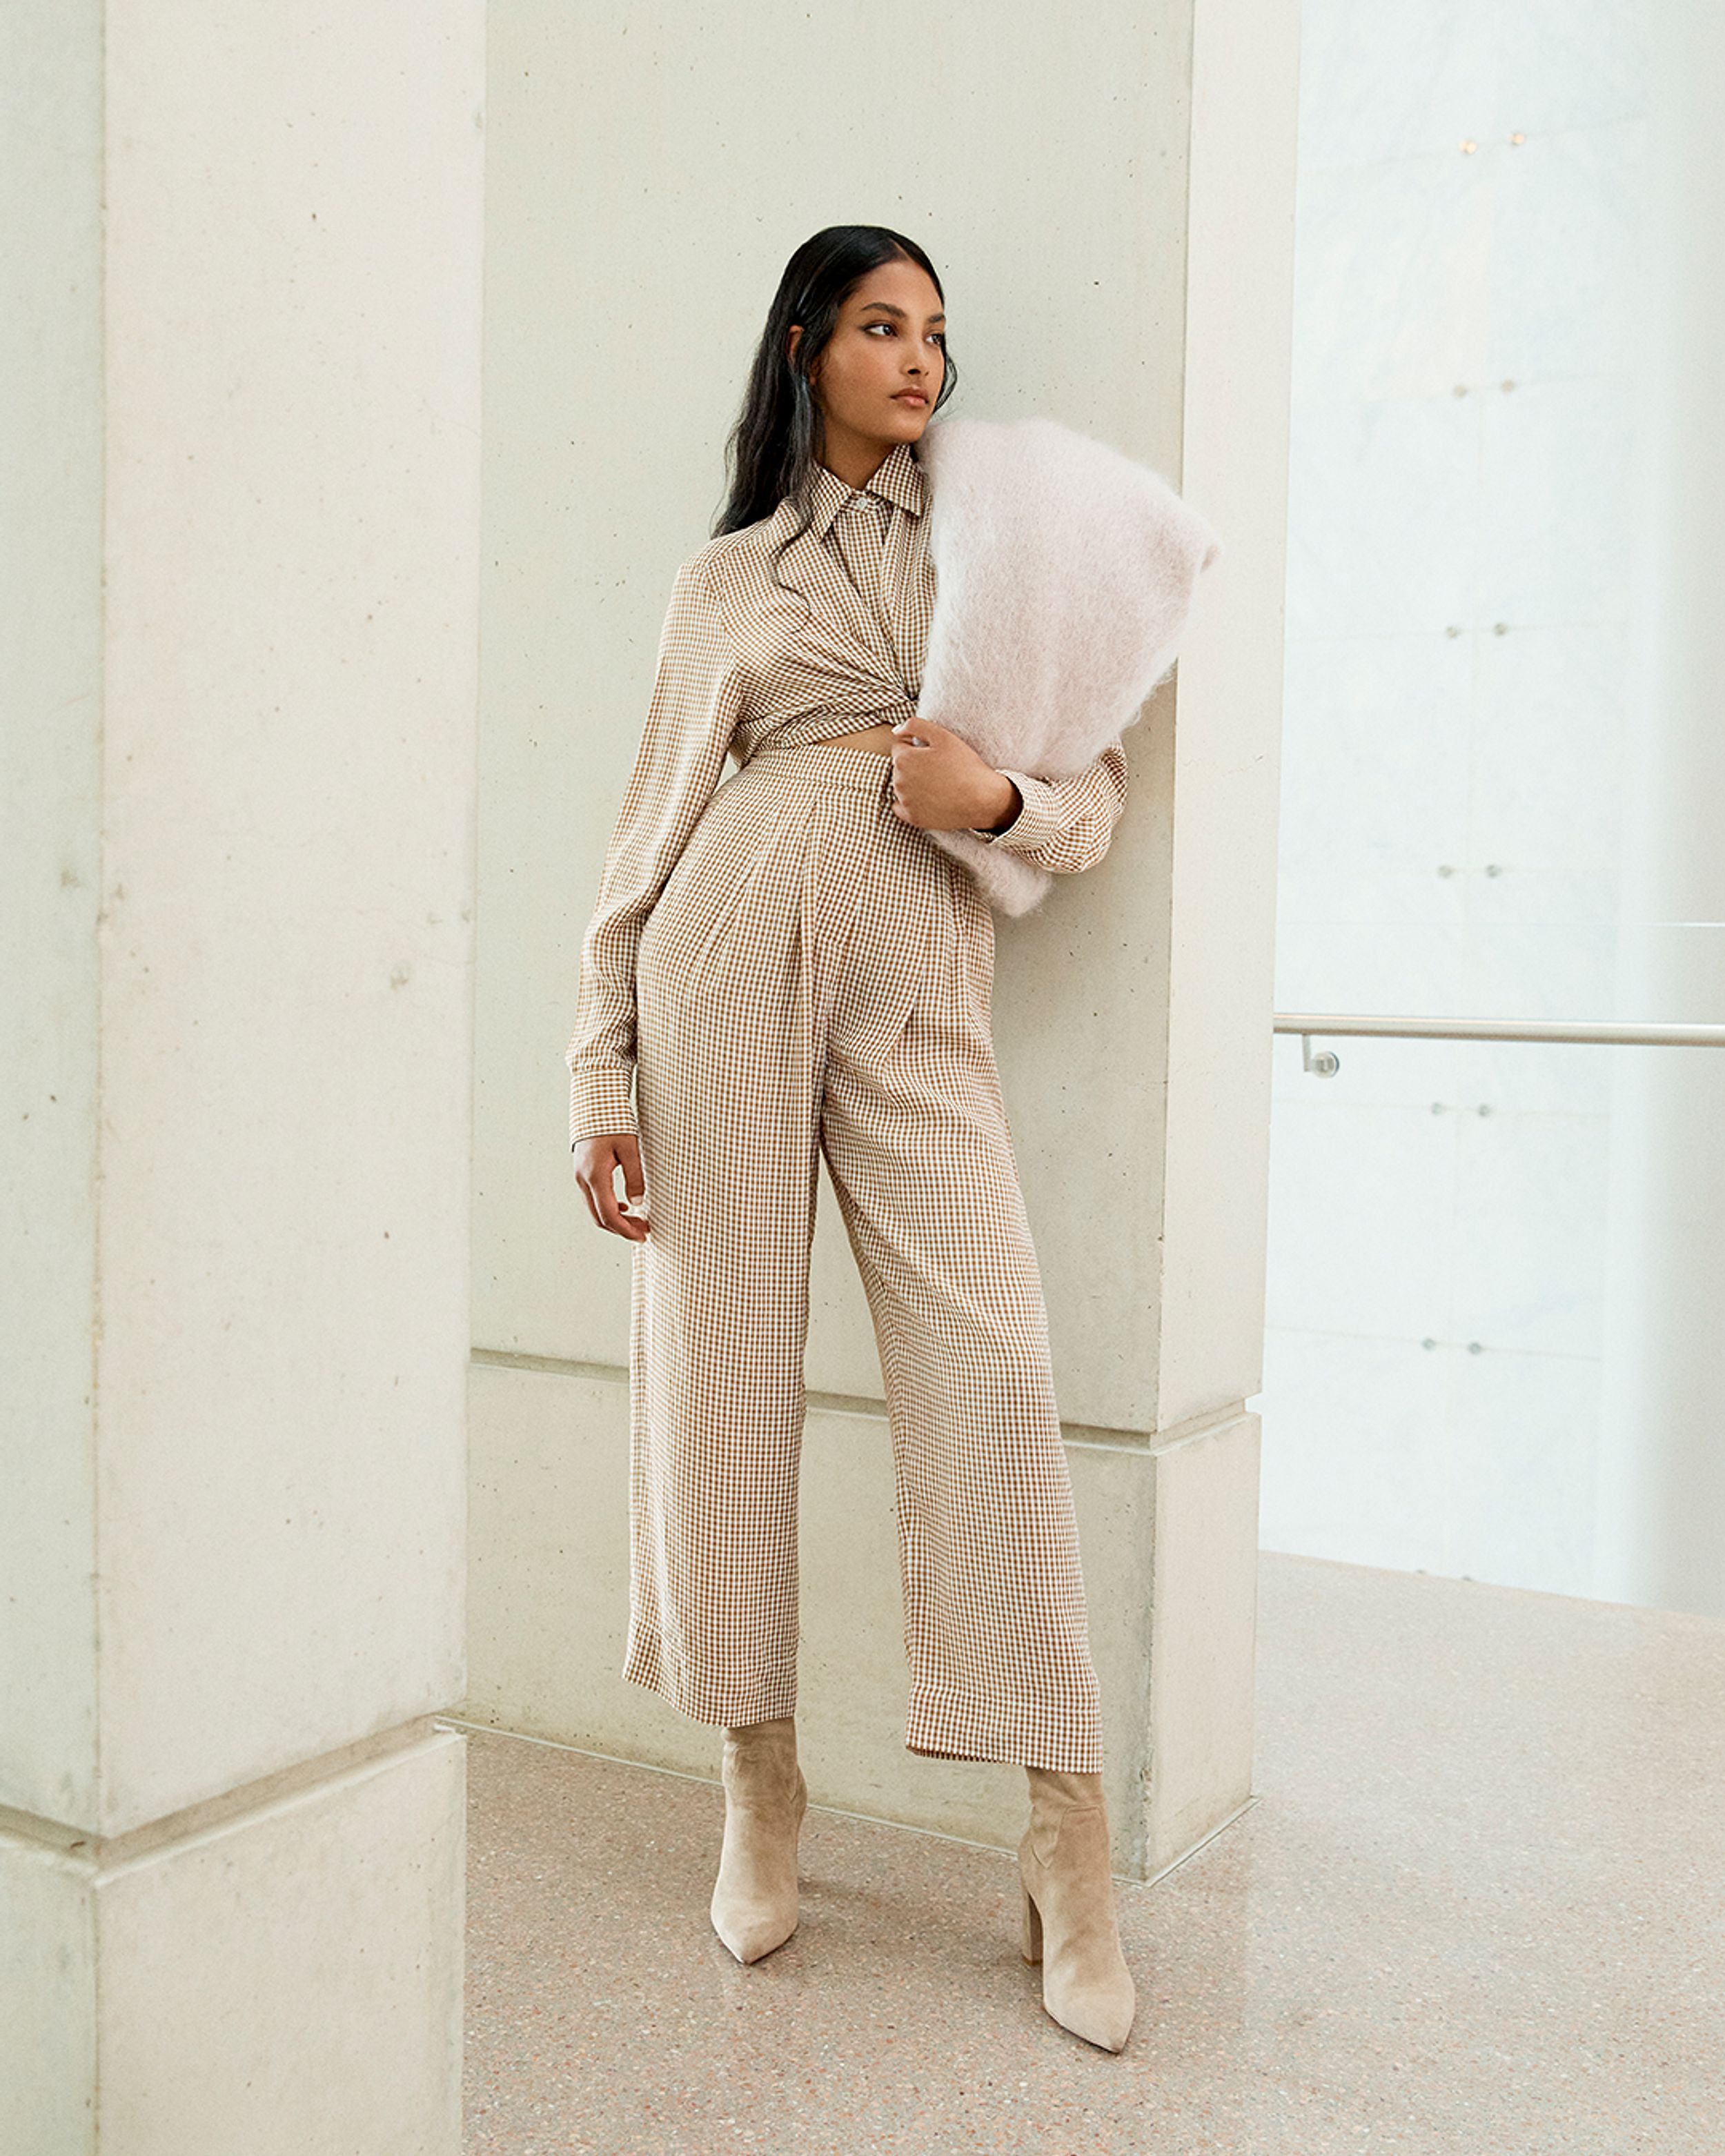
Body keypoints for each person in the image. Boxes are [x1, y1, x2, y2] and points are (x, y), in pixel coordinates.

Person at [564, 224, 1136, 2053]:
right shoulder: (726, 578)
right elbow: (644, 836)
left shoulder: (1000, 557)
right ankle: (758, 1781)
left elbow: (1092, 810)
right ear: (807, 345)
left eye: (939, 332)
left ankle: (1065, 1837)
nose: (920, 358)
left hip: (916, 986)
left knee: (988, 1365)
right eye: (884, 326)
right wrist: (599, 1071)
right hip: (720, 958)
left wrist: (998, 795)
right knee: (719, 1380)